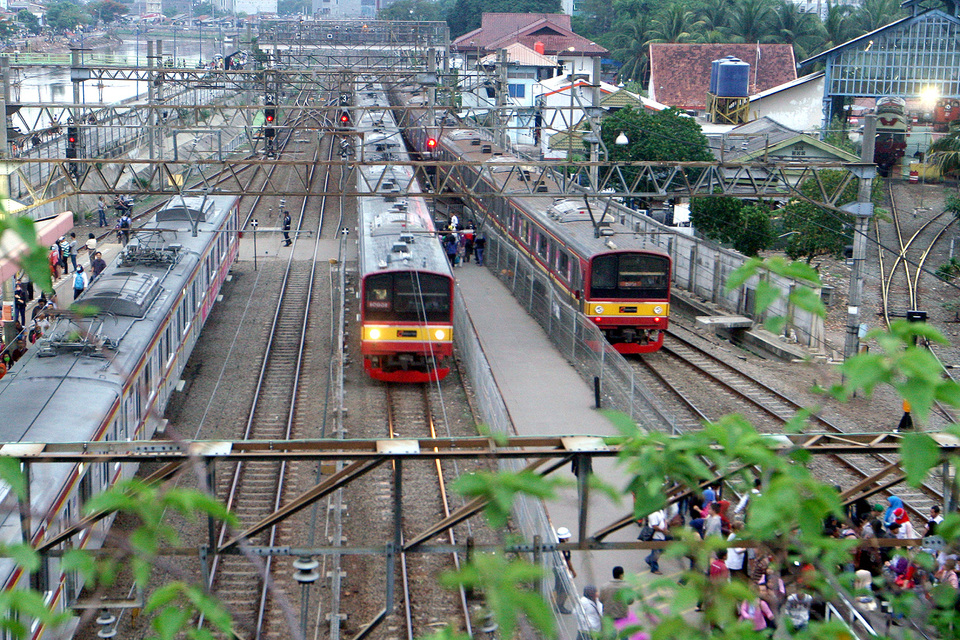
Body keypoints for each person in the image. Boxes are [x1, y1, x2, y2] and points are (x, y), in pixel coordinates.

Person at [555, 527, 576, 614]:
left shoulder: (556, 545)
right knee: (565, 589)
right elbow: (567, 561)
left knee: (558, 587)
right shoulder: (565, 548)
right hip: (562, 569)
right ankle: (560, 606)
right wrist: (572, 571)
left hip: (556, 568)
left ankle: (557, 604)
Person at [645, 509, 667, 575]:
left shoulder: (660, 511)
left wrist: (665, 527)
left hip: (662, 536)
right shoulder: (653, 514)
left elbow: (664, 520)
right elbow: (654, 526)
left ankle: (648, 559)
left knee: (661, 550)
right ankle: (654, 568)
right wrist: (663, 531)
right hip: (656, 536)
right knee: (656, 552)